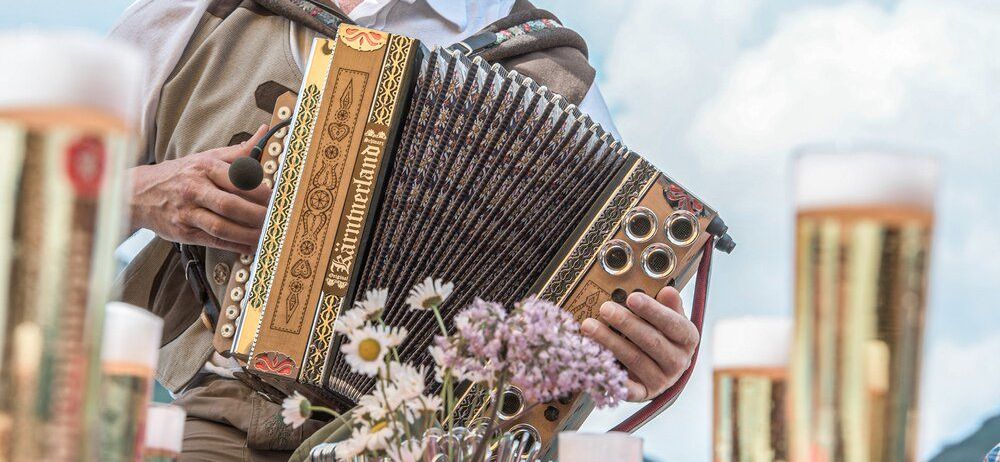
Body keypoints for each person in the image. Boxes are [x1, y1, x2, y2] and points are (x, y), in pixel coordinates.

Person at [112, 1, 701, 460]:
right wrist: (143, 190)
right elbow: (31, 208)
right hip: (228, 418)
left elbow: (580, 334)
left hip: (443, 441)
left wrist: (639, 361)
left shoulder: (554, 72)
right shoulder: (196, 18)